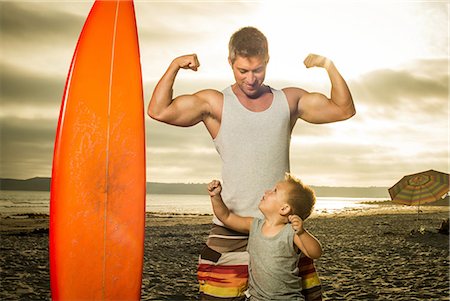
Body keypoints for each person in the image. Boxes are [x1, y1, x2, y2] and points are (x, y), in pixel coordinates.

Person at [148, 26, 355, 300]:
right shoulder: (216, 103)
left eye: (257, 70)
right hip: (231, 224)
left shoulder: (288, 100)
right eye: (242, 71)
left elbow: (343, 109)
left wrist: (328, 66)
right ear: (230, 63)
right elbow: (158, 110)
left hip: (278, 225)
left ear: (267, 61)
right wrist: (175, 66)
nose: (250, 79)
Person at [207, 174, 322, 301]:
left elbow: (315, 252)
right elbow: (226, 217)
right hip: (257, 298)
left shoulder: (291, 232)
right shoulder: (254, 225)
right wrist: (215, 197)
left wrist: (302, 232)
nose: (267, 191)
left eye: (274, 191)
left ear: (284, 208)